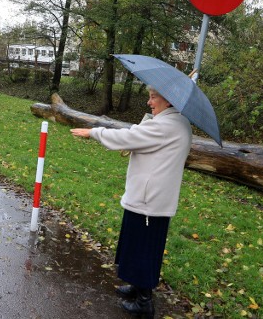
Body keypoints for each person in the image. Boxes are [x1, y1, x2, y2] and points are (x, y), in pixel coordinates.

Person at [70, 87, 192, 318]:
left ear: (168, 101)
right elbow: (140, 134)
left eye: (154, 97)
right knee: (137, 246)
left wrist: (94, 132)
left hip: (149, 202)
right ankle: (137, 287)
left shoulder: (167, 126)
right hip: (149, 199)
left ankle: (144, 303)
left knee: (144, 250)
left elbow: (128, 137)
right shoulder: (174, 122)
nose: (149, 102)